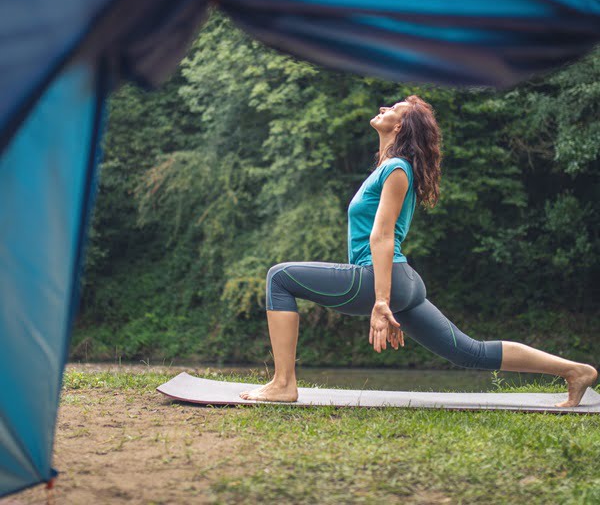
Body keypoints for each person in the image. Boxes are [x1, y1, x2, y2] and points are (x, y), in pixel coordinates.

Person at [240, 95, 598, 407]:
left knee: (280, 277)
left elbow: (381, 237)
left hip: (384, 278)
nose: (384, 108)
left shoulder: (396, 168)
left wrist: (382, 301)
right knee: (468, 352)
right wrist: (391, 298)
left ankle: (284, 384)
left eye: (394, 109)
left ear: (402, 127)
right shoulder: (388, 168)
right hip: (402, 281)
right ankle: (574, 370)